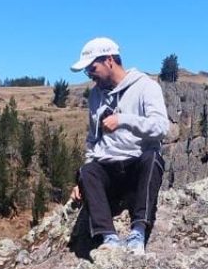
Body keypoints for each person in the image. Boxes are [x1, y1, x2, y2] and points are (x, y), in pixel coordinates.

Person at [69, 37, 170, 254]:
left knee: (152, 159)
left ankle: (138, 232)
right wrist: (82, 182)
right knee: (87, 170)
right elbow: (93, 141)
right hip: (109, 169)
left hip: (136, 167)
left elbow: (161, 127)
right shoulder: (96, 95)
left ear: (109, 60)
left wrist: (124, 120)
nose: (90, 74)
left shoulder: (146, 87)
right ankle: (109, 237)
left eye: (92, 68)